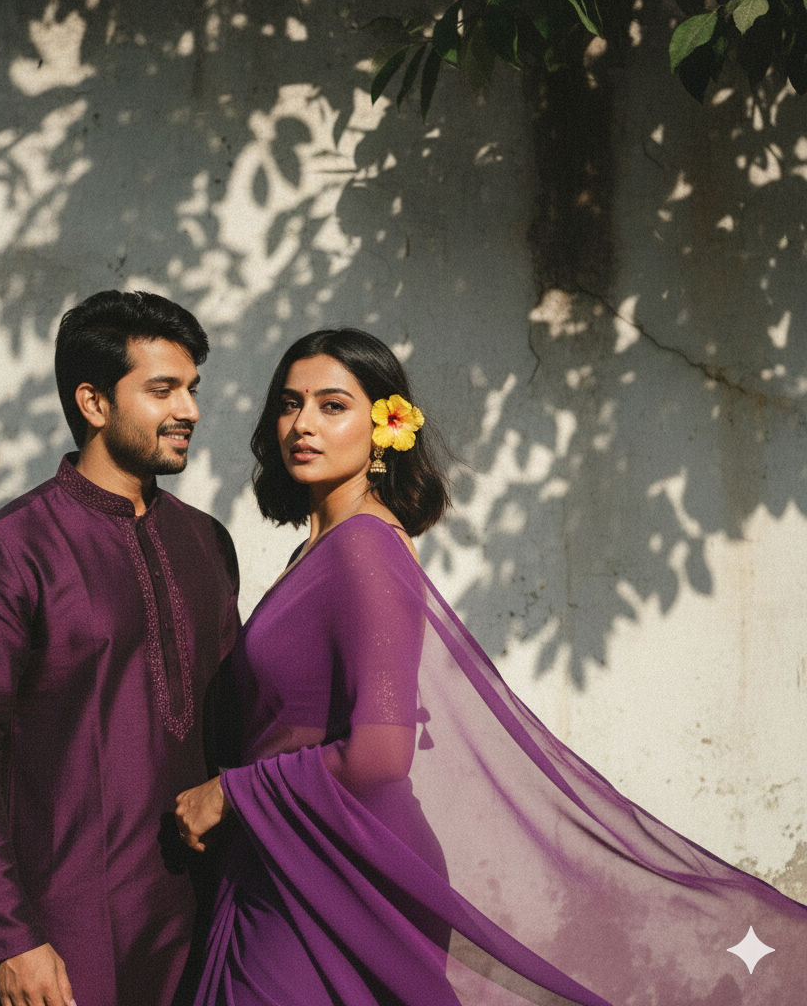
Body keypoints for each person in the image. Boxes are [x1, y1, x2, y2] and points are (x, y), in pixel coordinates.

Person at [175, 328, 807, 1005]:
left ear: (386, 428)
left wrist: (234, 792)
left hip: (347, 860)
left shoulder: (365, 547)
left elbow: (383, 754)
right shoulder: (318, 552)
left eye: (333, 406)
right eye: (290, 403)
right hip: (287, 853)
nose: (303, 423)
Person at [0, 290, 240, 1006]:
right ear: (94, 403)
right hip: (64, 931)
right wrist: (10, 940)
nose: (189, 410)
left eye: (192, 388)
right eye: (162, 389)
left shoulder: (204, 543)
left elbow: (233, 723)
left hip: (199, 916)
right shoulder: (6, 552)